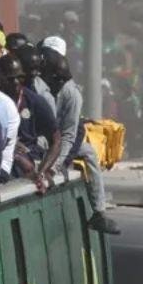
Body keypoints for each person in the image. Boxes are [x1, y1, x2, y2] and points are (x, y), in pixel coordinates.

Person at [42, 52, 119, 234]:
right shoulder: (42, 89)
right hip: (42, 140)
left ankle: (99, 211)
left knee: (89, 152)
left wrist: (55, 165)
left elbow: (68, 135)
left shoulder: (71, 94)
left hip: (57, 142)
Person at [0, 54, 60, 187]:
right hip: (2, 158)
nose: (15, 82)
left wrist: (42, 171)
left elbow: (56, 141)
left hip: (29, 159)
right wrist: (14, 150)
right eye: (10, 78)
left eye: (19, 77)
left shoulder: (35, 101)